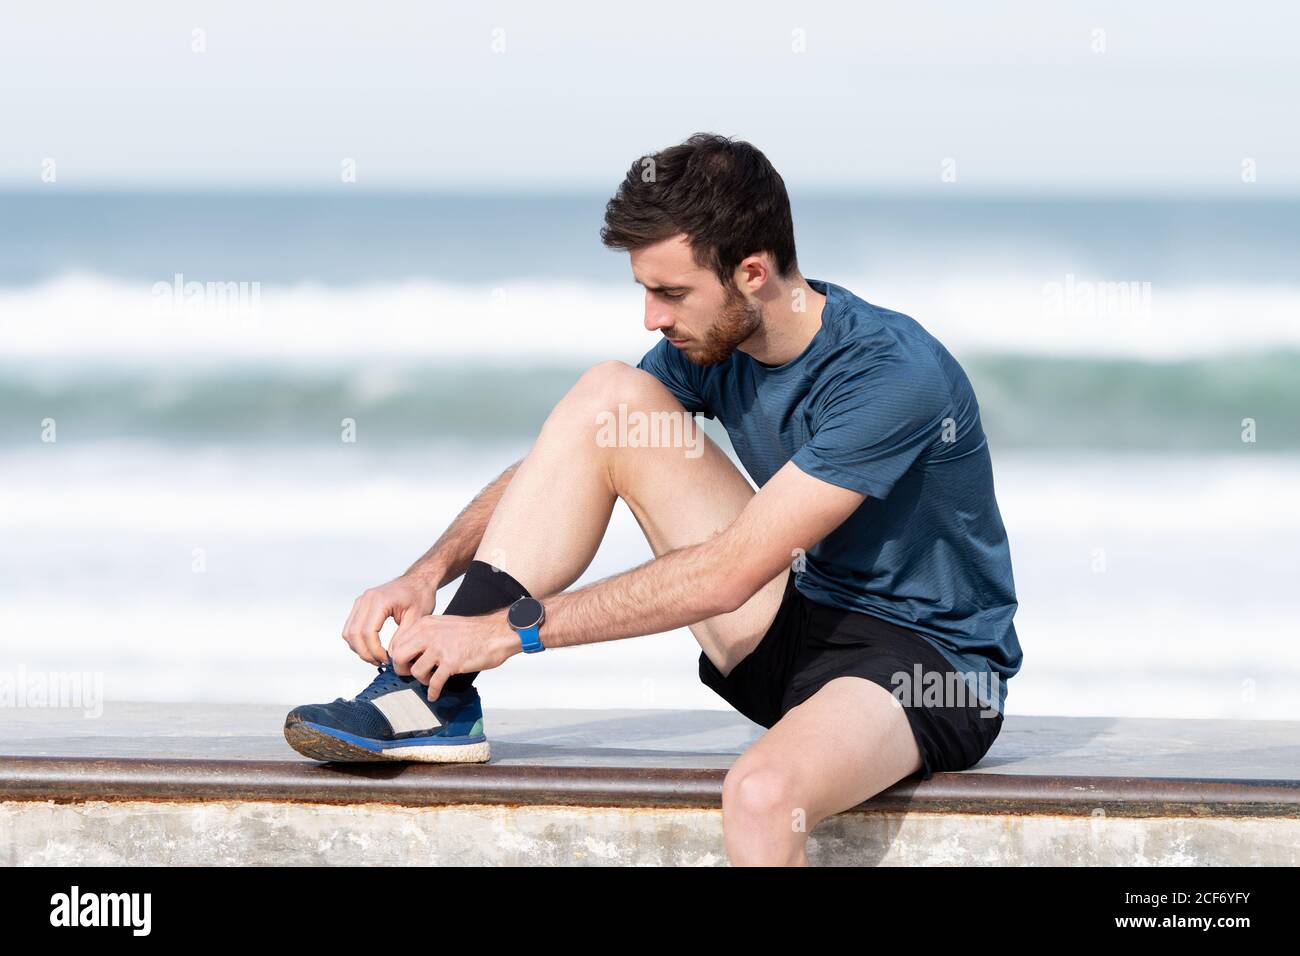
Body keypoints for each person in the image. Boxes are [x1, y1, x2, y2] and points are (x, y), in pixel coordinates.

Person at [283, 132, 1023, 866]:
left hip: (931, 672)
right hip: (796, 630)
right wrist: (427, 573)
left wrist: (511, 631)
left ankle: (458, 661)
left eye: (670, 292)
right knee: (610, 395)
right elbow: (567, 455)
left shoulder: (891, 375)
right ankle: (436, 699)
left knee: (762, 793)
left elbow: (728, 573)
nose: (652, 317)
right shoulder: (711, 345)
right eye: (645, 289)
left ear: (754, 273)